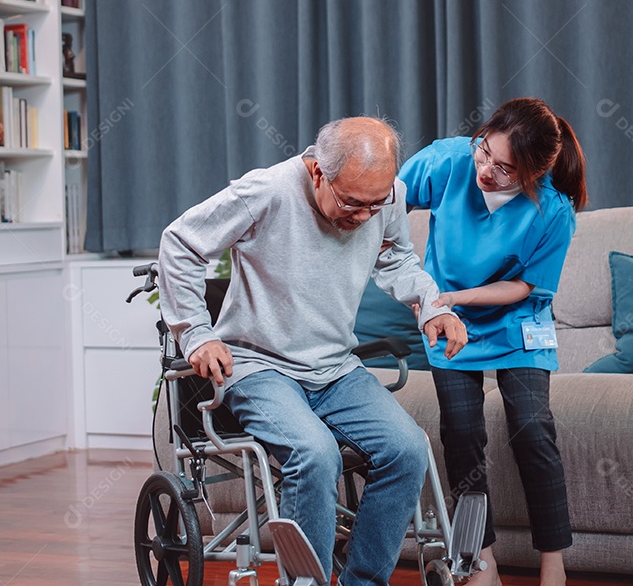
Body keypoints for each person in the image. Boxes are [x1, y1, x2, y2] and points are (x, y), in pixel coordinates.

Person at [158, 116, 468, 586]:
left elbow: (395, 257)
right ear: (319, 172)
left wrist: (430, 307)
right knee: (315, 453)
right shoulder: (267, 191)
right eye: (352, 203)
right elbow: (180, 243)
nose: (364, 216)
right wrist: (197, 334)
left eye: (376, 204)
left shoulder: (386, 195)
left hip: (335, 368)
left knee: (408, 449)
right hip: (258, 366)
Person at [398, 97, 588, 586]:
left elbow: (523, 287)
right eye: (484, 152)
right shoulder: (448, 161)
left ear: (533, 173)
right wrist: (411, 283)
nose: (486, 170)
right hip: (449, 320)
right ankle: (481, 560)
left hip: (516, 322)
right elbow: (385, 203)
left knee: (532, 428)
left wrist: (455, 296)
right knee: (462, 434)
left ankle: (554, 565)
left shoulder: (553, 210)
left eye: (505, 169)